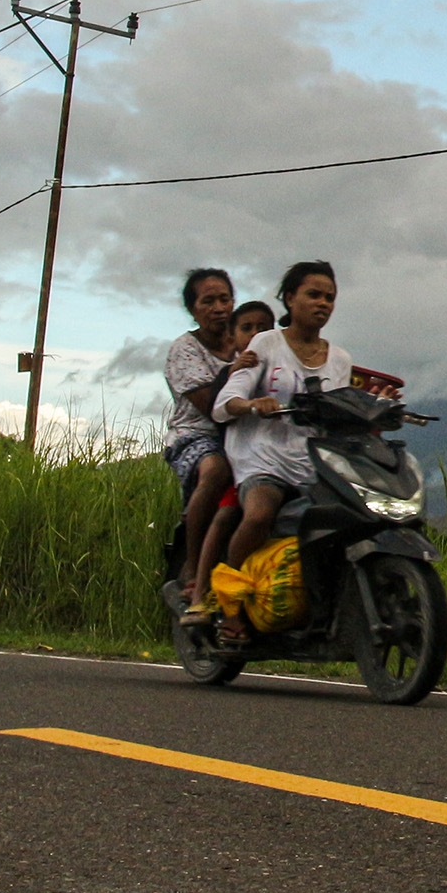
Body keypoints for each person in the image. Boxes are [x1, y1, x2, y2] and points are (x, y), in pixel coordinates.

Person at [210, 261, 361, 637]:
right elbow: (225, 401)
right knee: (259, 515)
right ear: (290, 298)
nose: (322, 303)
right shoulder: (266, 343)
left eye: (329, 297)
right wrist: (252, 405)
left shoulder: (339, 359)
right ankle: (229, 606)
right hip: (261, 452)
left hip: (311, 460)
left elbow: (338, 414)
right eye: (313, 294)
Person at [180, 300, 272, 627]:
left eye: (263, 328)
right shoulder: (231, 373)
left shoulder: (279, 370)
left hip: (281, 462)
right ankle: (201, 591)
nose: (256, 335)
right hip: (243, 464)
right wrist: (234, 373)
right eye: (247, 328)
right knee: (227, 514)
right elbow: (218, 407)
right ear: (232, 339)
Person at [161, 268, 235, 600]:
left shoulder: (248, 341)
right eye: (208, 301)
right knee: (216, 469)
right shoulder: (185, 349)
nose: (219, 307)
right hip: (197, 435)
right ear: (193, 310)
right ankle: (193, 562)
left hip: (247, 432)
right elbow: (211, 406)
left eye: (224, 299)